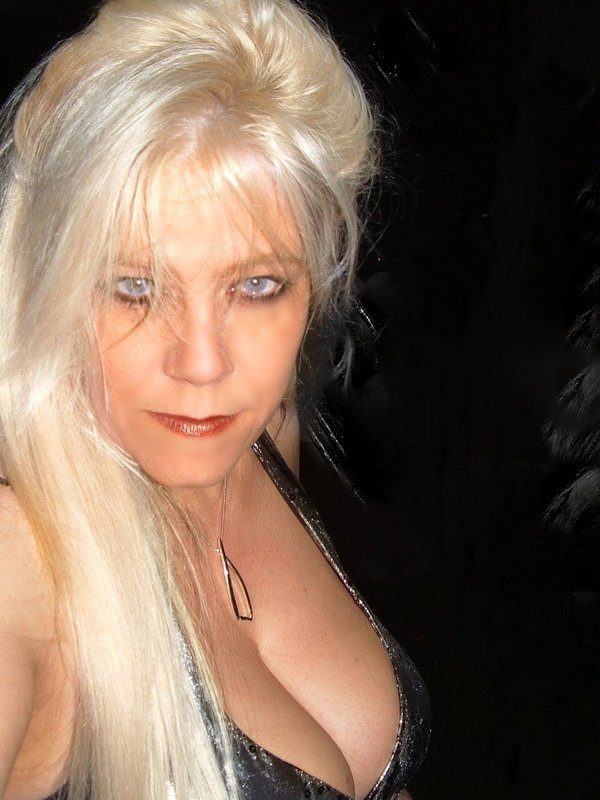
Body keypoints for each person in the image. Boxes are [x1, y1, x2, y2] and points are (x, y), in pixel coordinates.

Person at [0, 1, 430, 798]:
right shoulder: (23, 561)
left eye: (257, 285)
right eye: (134, 288)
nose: (203, 365)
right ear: (49, 281)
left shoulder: (262, 434)